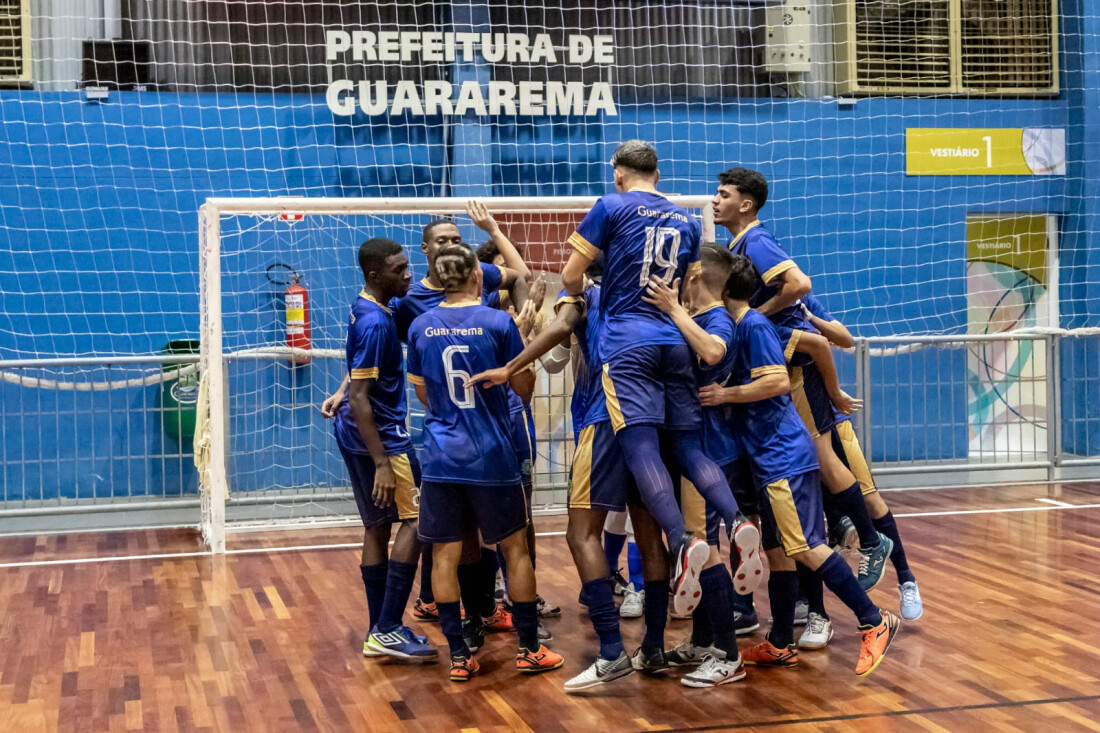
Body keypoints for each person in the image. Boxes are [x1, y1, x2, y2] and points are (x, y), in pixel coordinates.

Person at [468, 254, 673, 689]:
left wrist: (510, 364)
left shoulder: (580, 293)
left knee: (580, 533)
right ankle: (654, 645)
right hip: (655, 421)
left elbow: (561, 329)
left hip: (604, 418)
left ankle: (613, 651)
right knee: (649, 533)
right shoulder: (653, 297)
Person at [560, 140, 744, 615]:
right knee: (687, 448)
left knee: (641, 450)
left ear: (618, 174)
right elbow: (688, 284)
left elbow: (570, 275)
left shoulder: (611, 205)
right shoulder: (686, 217)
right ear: (657, 175)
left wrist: (578, 300)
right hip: (675, 340)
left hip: (628, 343)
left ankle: (682, 542)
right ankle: (738, 521)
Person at [700, 254, 901, 677]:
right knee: (779, 553)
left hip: (782, 457)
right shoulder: (738, 325)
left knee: (807, 546)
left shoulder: (753, 324)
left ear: (720, 288)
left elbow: (775, 382)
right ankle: (779, 643)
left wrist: (725, 396)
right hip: (767, 458)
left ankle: (873, 620)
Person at [712, 166, 893, 592]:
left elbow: (800, 285)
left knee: (822, 456)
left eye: (723, 194)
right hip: (785, 359)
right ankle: (841, 542)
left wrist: (759, 314)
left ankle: (870, 541)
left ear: (746, 204)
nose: (715, 200)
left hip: (797, 365)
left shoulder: (755, 240)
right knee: (813, 464)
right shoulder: (737, 244)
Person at [406, 244, 563, 682]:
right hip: (492, 456)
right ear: (478, 274)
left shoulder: (419, 327)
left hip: (441, 456)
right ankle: (530, 649)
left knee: (444, 555)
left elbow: (424, 395)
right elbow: (524, 388)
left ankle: (458, 655)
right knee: (514, 550)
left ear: (437, 280)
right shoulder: (498, 322)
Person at [396, 203, 529, 631]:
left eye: (456, 239)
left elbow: (521, 276)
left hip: (452, 438)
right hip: (486, 439)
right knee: (505, 543)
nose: (452, 244)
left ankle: (475, 623)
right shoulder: (418, 304)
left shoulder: (423, 323)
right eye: (443, 240)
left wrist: (492, 228)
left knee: (458, 544)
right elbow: (523, 387)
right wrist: (521, 336)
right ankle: (511, 631)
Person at [643, 243, 762, 687]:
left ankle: (729, 657)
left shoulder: (716, 320)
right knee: (701, 548)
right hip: (698, 445)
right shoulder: (700, 317)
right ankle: (703, 640)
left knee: (704, 551)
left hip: (707, 449)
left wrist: (673, 311)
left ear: (692, 277)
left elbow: (712, 352)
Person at [319, 237, 436, 662]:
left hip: (356, 432)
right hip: (381, 437)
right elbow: (363, 396)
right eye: (400, 268)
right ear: (375, 275)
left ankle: (379, 630)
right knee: (417, 521)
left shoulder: (368, 308)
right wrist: (383, 462)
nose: (408, 274)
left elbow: (357, 380)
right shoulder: (376, 323)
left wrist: (340, 390)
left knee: (377, 526)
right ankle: (387, 626)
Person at [802, 293, 923, 622]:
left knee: (868, 498)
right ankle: (809, 605)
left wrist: (809, 318)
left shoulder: (799, 301)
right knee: (804, 509)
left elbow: (844, 338)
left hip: (830, 422)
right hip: (792, 426)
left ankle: (906, 578)